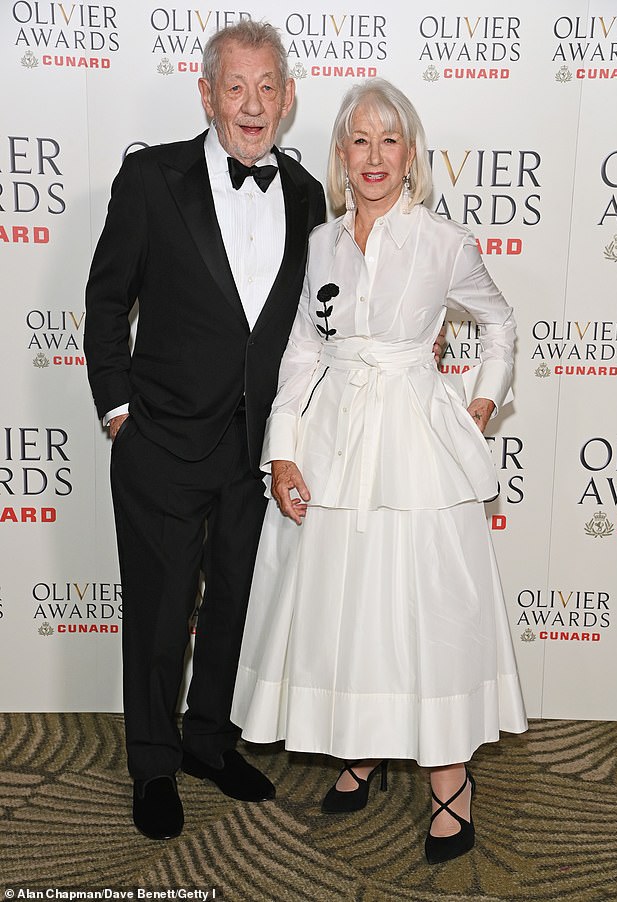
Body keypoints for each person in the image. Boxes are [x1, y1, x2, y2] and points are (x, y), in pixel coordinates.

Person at [230, 78, 528, 865]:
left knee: (425, 610)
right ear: (339, 153)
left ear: (410, 153)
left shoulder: (443, 242)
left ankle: (450, 787)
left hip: (413, 446)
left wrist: (482, 405)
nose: (373, 156)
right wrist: (284, 446)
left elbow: (499, 323)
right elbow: (302, 348)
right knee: (346, 603)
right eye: (358, 141)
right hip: (332, 440)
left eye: (388, 140)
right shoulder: (322, 243)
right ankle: (359, 748)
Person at [83, 20, 326, 840]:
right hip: (161, 442)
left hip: (257, 447)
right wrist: (117, 408)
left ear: (287, 98)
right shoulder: (153, 179)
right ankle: (152, 764)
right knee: (157, 614)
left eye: (267, 89)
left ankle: (207, 739)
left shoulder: (305, 195)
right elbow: (108, 296)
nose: (252, 106)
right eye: (236, 87)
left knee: (234, 604)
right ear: (207, 95)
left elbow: (314, 322)